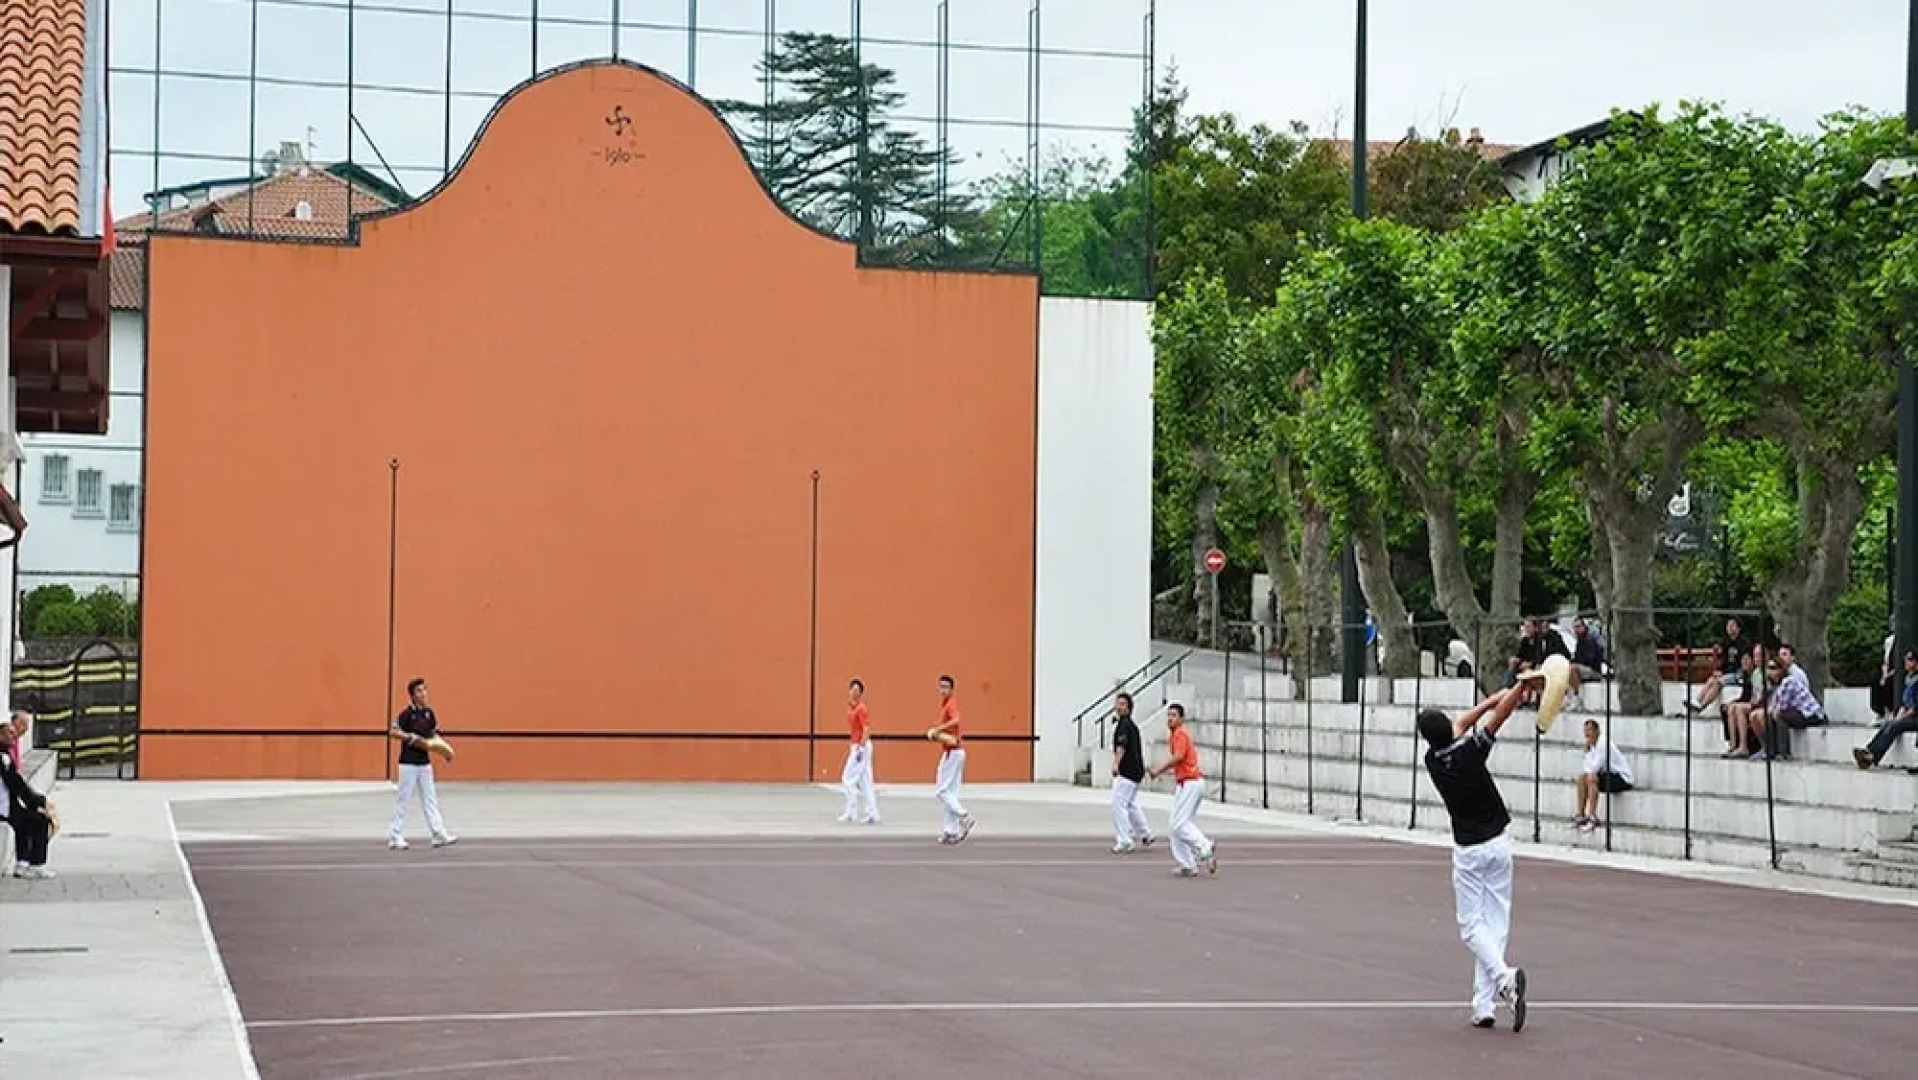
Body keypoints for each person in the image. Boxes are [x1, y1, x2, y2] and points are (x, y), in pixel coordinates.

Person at [1417, 684, 1532, 1033]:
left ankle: (1503, 979)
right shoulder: (1471, 750)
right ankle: (1484, 1006)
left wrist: (1506, 692)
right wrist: (1522, 687)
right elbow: (1500, 717)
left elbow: (1478, 716)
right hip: (1498, 842)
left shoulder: (1434, 760)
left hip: (1469, 850)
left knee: (1471, 927)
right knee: (1494, 924)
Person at [387, 677, 457, 850]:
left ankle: (438, 834)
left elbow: (434, 736)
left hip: (424, 764)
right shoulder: (406, 715)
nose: (423, 693)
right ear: (412, 695)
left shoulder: (429, 714)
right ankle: (395, 836)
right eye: (419, 690)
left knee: (430, 799)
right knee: (404, 800)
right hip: (408, 764)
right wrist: (411, 737)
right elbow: (393, 731)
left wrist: (444, 750)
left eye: (425, 689)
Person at [1148, 703, 1216, 877]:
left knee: (1179, 824)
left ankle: (1204, 846)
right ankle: (1187, 864)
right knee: (1174, 826)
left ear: (1181, 718)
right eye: (1168, 715)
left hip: (1191, 783)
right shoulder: (1174, 735)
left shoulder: (1180, 734)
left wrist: (1158, 769)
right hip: (1185, 783)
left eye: (1174, 715)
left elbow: (1178, 757)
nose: (1170, 718)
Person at [1, 712, 54, 879]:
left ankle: (22, 863)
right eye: (10, 733)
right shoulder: (3, 758)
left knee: (25, 820)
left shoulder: (5, 754)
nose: (14, 735)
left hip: (8, 804)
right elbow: (15, 784)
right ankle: (35, 864)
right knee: (39, 820)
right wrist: (37, 801)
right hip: (3, 807)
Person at [1855, 648, 1918, 771]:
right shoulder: (1908, 679)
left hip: (1915, 717)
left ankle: (1873, 756)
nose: (1906, 662)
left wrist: (1902, 717)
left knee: (1895, 726)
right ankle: (1869, 750)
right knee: (1887, 724)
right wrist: (1899, 715)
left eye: (1910, 660)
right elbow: (1905, 704)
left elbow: (1915, 707)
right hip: (1909, 714)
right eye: (1905, 659)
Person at [930, 675, 974, 844]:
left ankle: (964, 816)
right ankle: (951, 831)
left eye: (946, 687)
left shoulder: (951, 704)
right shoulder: (945, 705)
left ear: (952, 689)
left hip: (953, 752)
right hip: (955, 751)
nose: (943, 690)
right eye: (941, 686)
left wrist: (937, 729)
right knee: (951, 792)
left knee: (941, 791)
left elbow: (957, 719)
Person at [1108, 692, 1154, 854]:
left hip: (1127, 771)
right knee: (1131, 803)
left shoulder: (1124, 726)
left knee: (1118, 804)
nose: (1118, 707)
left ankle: (1125, 840)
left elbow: (1121, 746)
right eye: (1117, 704)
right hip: (1136, 771)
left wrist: (1115, 764)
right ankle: (1145, 833)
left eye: (1122, 704)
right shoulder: (1131, 725)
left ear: (1128, 708)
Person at [1573, 719, 1634, 832]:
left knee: (1591, 778)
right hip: (1607, 775)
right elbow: (1586, 767)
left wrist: (1589, 765)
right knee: (1582, 778)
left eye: (1590, 730)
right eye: (1586, 731)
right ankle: (1581, 815)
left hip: (1621, 778)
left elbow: (1595, 767)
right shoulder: (1591, 746)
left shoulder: (1603, 743)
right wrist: (1587, 751)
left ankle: (1592, 816)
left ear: (1597, 731)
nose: (1587, 734)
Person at [839, 678, 880, 824]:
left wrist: (860, 749)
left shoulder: (861, 708)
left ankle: (851, 812)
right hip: (857, 745)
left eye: (857, 690)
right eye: (852, 689)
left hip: (860, 746)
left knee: (847, 779)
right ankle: (872, 813)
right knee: (865, 781)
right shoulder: (851, 707)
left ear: (861, 693)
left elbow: (867, 729)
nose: (854, 693)